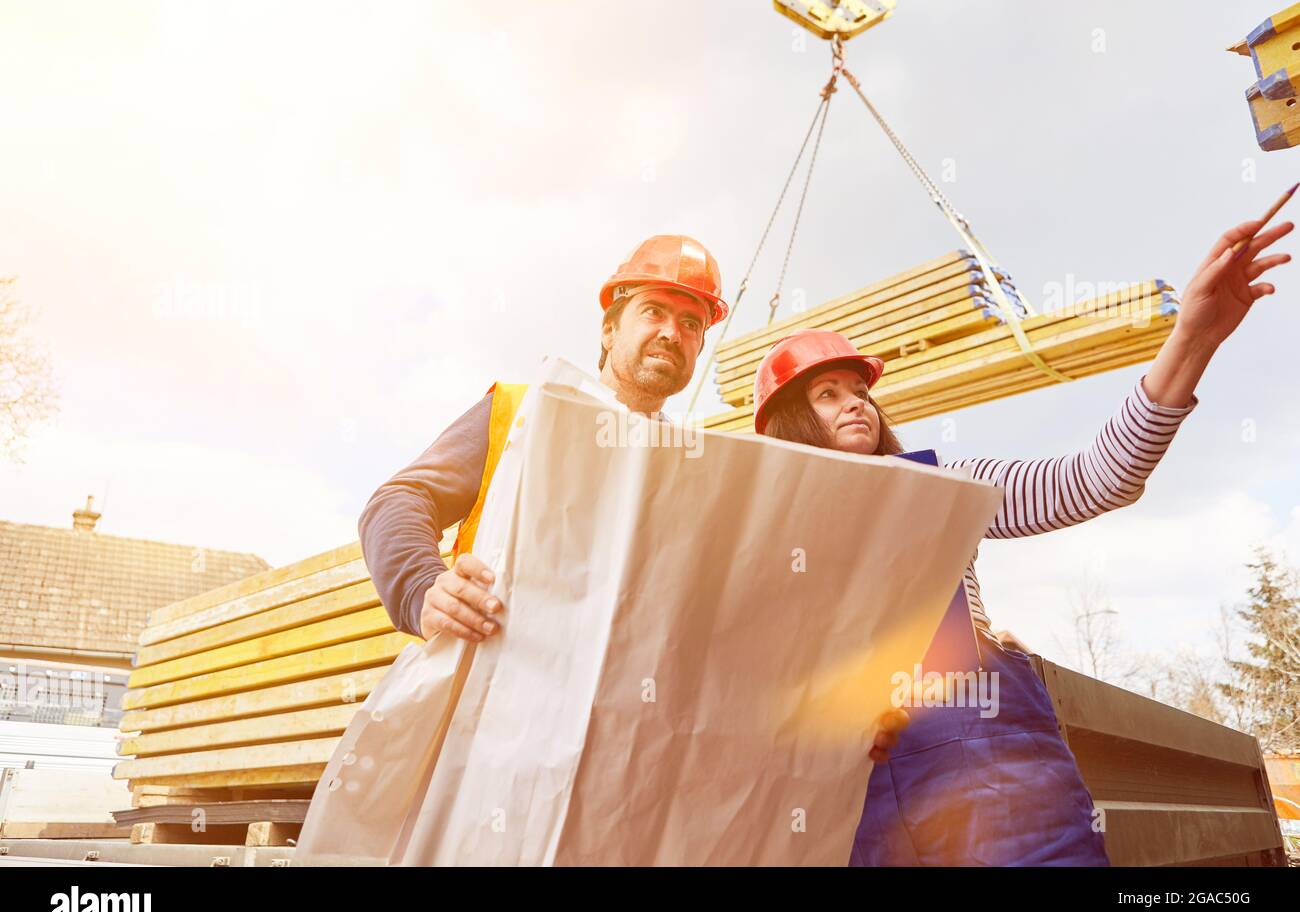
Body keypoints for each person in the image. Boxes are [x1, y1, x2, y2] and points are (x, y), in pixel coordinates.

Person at [751, 212, 1293, 865]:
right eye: (828, 394)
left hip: (992, 767)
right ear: (788, 424)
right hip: (858, 791)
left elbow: (1095, 480)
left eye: (861, 389)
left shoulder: (948, 488)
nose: (857, 402)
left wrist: (1192, 338)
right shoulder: (763, 539)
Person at [358, 234, 728, 647]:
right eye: (653, 312)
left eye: (690, 323)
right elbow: (398, 500)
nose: (672, 334)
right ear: (609, 330)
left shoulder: (690, 469)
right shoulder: (521, 411)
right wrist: (421, 588)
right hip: (494, 680)